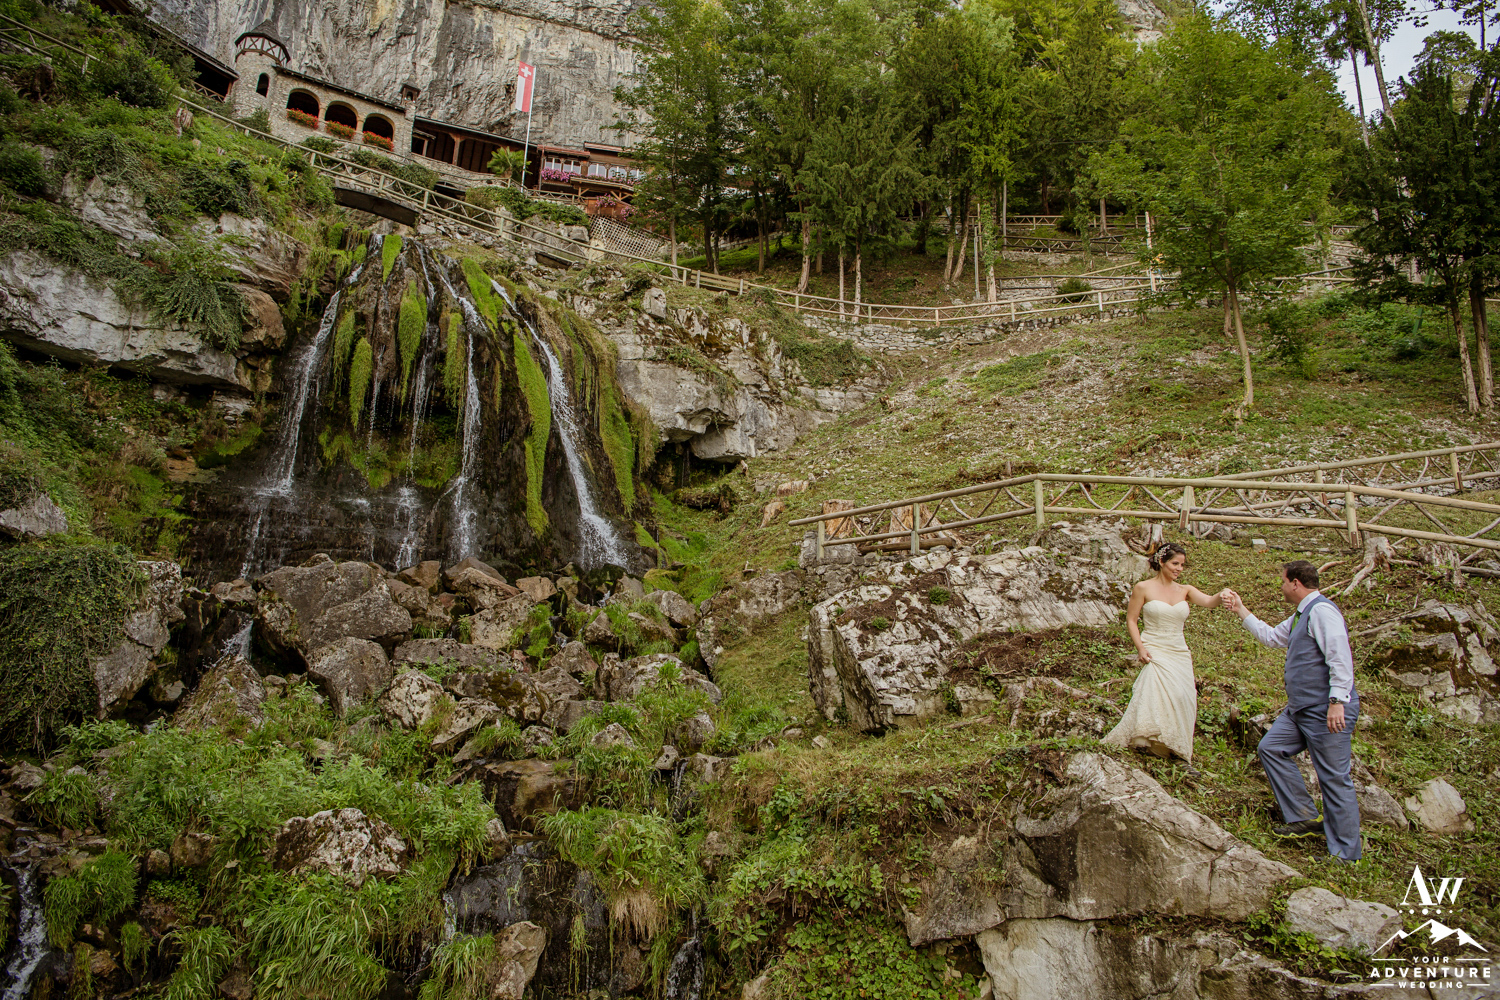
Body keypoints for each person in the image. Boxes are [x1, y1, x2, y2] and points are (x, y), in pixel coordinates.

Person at [1224, 561, 1361, 861]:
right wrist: (1241, 611)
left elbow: (1340, 656)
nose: (1281, 587)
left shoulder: (1323, 612)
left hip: (1326, 709)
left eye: (1283, 582)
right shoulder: (1302, 615)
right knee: (1271, 748)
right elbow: (1272, 637)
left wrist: (1337, 701)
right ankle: (1304, 818)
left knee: (1334, 779)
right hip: (1300, 710)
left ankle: (1346, 853)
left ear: (1296, 583)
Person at [1103, 542, 1226, 763]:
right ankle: (1147, 738)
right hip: (1155, 645)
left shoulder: (1185, 590)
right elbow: (1131, 620)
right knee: (1154, 688)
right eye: (1175, 564)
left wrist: (1222, 594)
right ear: (1161, 562)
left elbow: (1209, 602)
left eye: (1182, 565)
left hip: (1178, 649)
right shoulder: (1143, 587)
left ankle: (1175, 746)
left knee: (1183, 695)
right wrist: (1140, 647)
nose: (1179, 569)